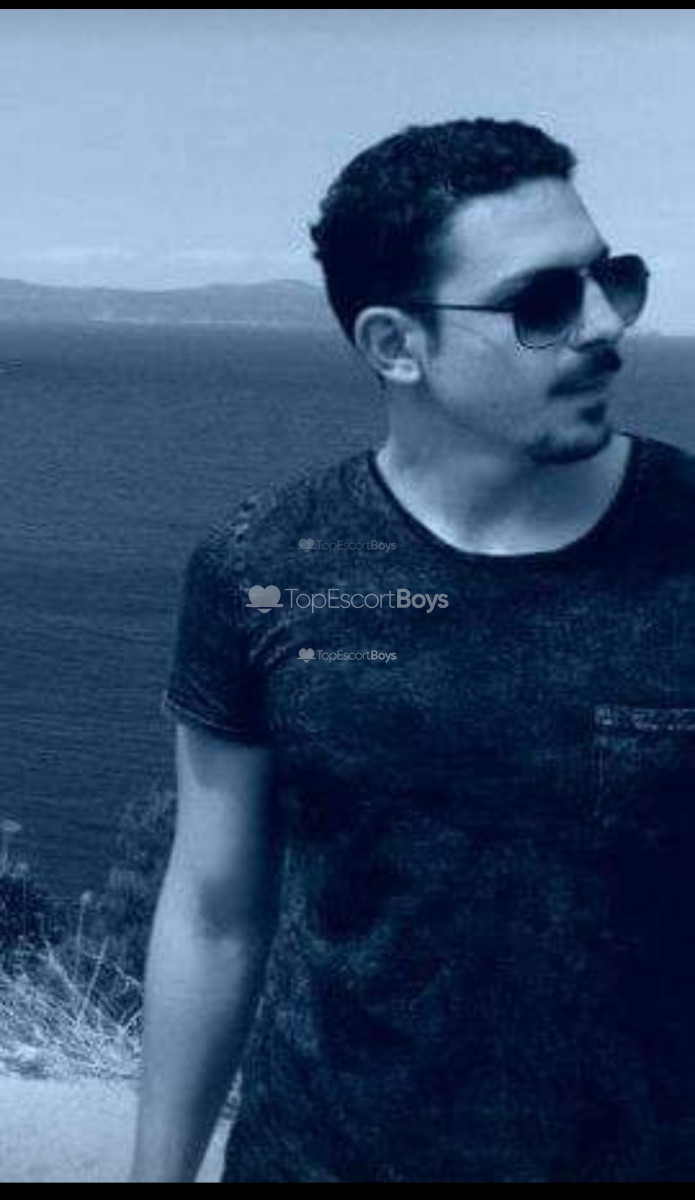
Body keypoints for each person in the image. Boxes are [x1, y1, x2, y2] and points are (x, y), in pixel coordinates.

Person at [130, 117, 695, 1183]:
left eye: (609, 278)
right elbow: (212, 912)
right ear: (395, 345)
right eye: (540, 302)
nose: (601, 325)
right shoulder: (263, 568)